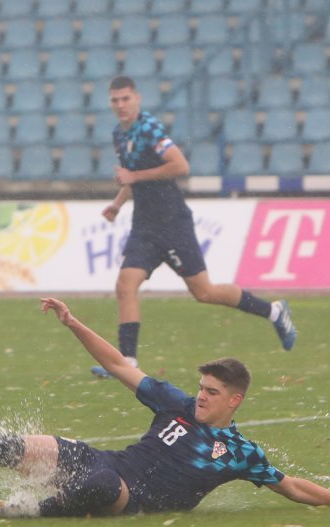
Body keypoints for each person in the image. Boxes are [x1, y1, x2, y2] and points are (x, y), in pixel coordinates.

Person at [0, 297, 330, 518]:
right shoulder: (175, 404)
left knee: (98, 487)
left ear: (234, 400)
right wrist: (73, 323)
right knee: (12, 446)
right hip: (108, 462)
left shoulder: (239, 452)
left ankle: (24, 510)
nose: (200, 395)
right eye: (201, 387)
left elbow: (290, 486)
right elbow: (117, 364)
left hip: (125, 496)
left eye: (212, 392)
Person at [92, 75, 297, 379]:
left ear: (137, 99)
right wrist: (118, 202)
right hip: (144, 225)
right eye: (115, 100)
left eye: (125, 99)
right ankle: (128, 362)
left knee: (205, 292)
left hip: (173, 222)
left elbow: (180, 166)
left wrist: (133, 179)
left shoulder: (150, 128)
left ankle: (274, 312)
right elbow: (132, 175)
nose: (120, 105)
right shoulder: (119, 134)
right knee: (125, 285)